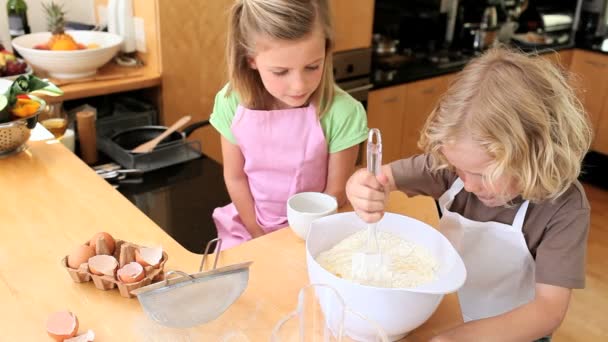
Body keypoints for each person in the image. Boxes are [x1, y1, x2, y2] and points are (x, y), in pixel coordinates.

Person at [346, 47, 592, 341]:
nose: (470, 185)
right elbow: (377, 178)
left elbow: (547, 311)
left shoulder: (564, 208)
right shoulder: (450, 168)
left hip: (513, 332)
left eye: (483, 174)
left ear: (534, 153)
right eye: (460, 170)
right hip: (446, 312)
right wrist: (360, 186)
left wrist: (459, 338)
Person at [209, 0, 368, 250]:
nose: (299, 86)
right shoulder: (231, 102)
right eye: (281, 72)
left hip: (315, 230)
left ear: (326, 50)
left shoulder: (343, 113)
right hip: (251, 227)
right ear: (251, 59)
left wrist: (298, 240)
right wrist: (258, 234)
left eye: (312, 67)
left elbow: (334, 193)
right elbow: (235, 177)